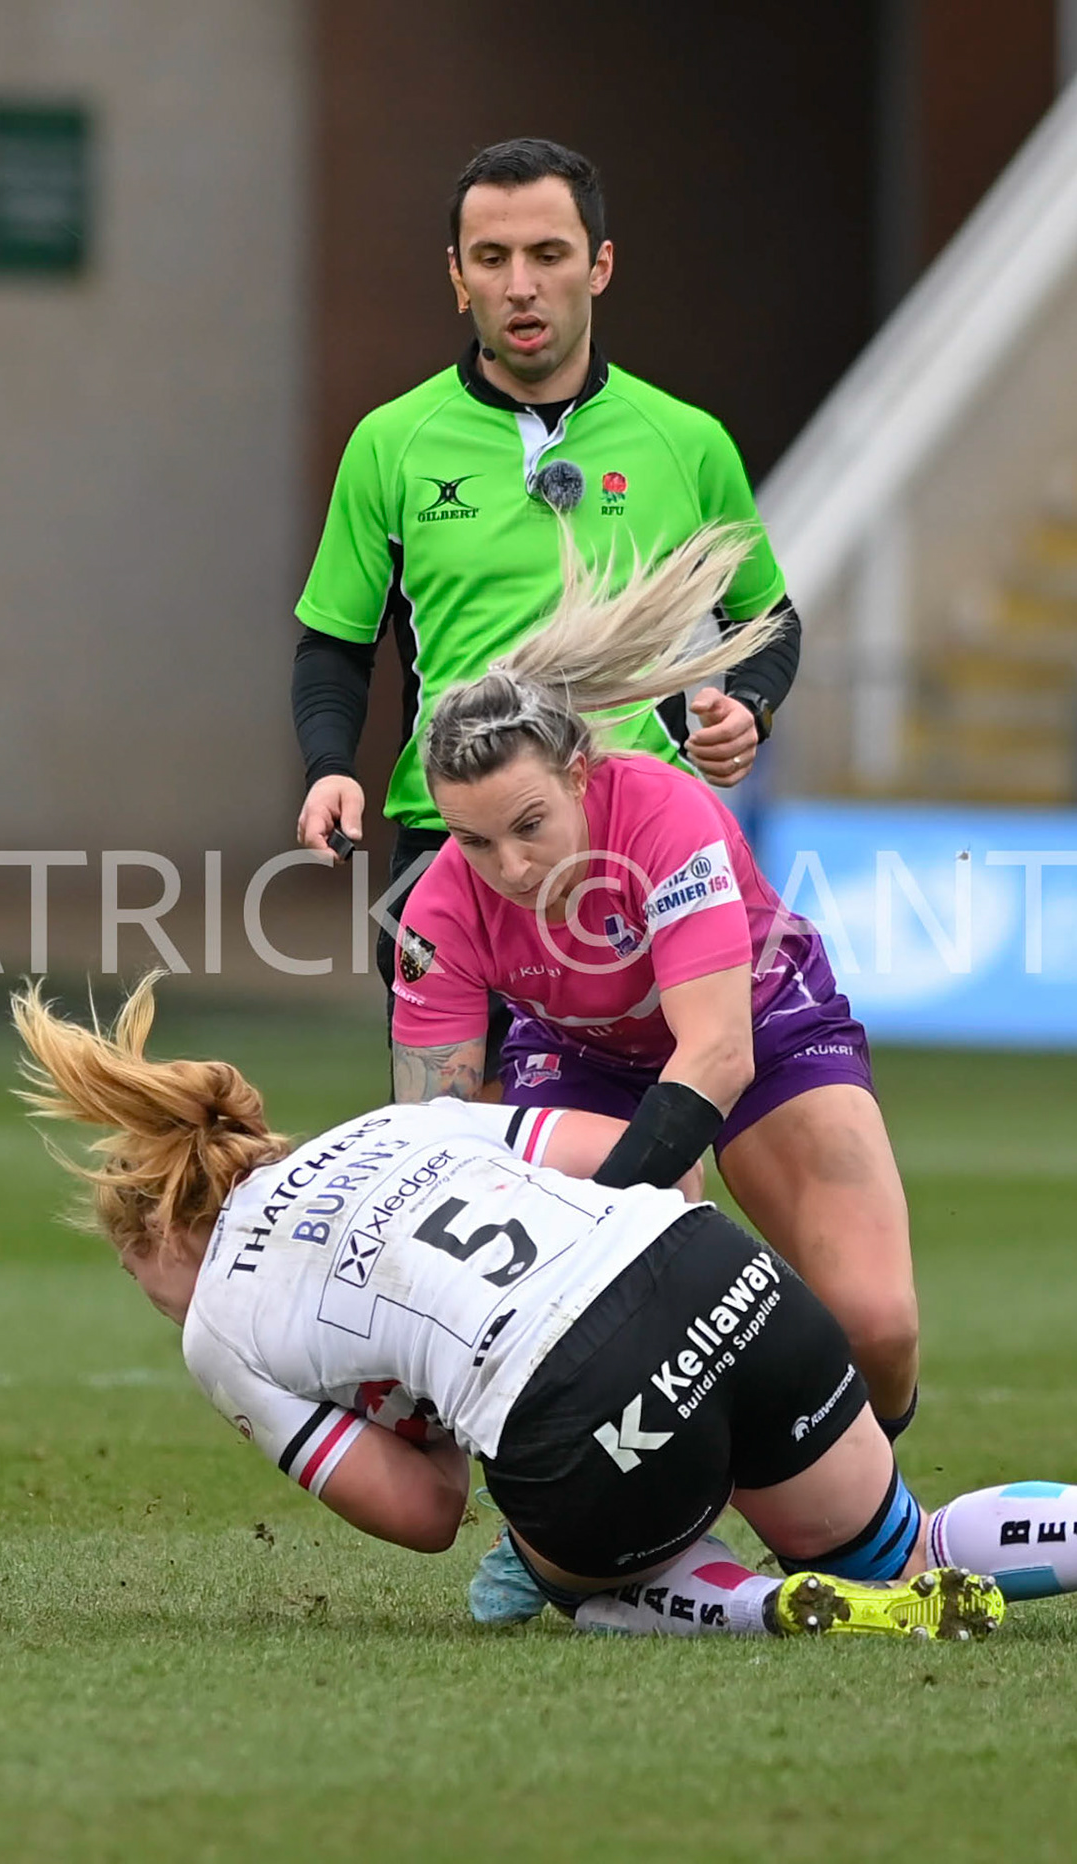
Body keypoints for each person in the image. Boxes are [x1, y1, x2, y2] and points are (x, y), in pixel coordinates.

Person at [10, 975, 1077, 1646]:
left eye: (137, 1282)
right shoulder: (397, 1123)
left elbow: (425, 1516)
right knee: (906, 1540)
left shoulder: (219, 1328)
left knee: (565, 1582)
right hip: (722, 1278)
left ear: (164, 1238)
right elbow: (619, 1156)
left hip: (578, 1403)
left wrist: (448, 1406)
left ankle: (783, 1611)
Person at [386, 523, 924, 1621]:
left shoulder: (668, 811)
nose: (511, 869)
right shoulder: (437, 914)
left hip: (762, 1024)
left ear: (583, 770)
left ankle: (856, 1490)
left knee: (876, 1323)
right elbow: (434, 1143)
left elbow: (716, 1050)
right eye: (473, 840)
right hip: (578, 1058)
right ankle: (575, 1531)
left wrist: (614, 1221)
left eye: (529, 825)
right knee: (630, 1283)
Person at [290, 136, 803, 1007]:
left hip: (640, 845)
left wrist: (745, 709)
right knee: (457, 1132)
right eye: (492, 258)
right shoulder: (391, 443)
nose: (520, 285)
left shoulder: (687, 442)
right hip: (453, 842)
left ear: (599, 266)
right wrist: (328, 765)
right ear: (459, 277)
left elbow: (772, 622)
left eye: (548, 255)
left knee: (656, 1124)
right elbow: (334, 646)